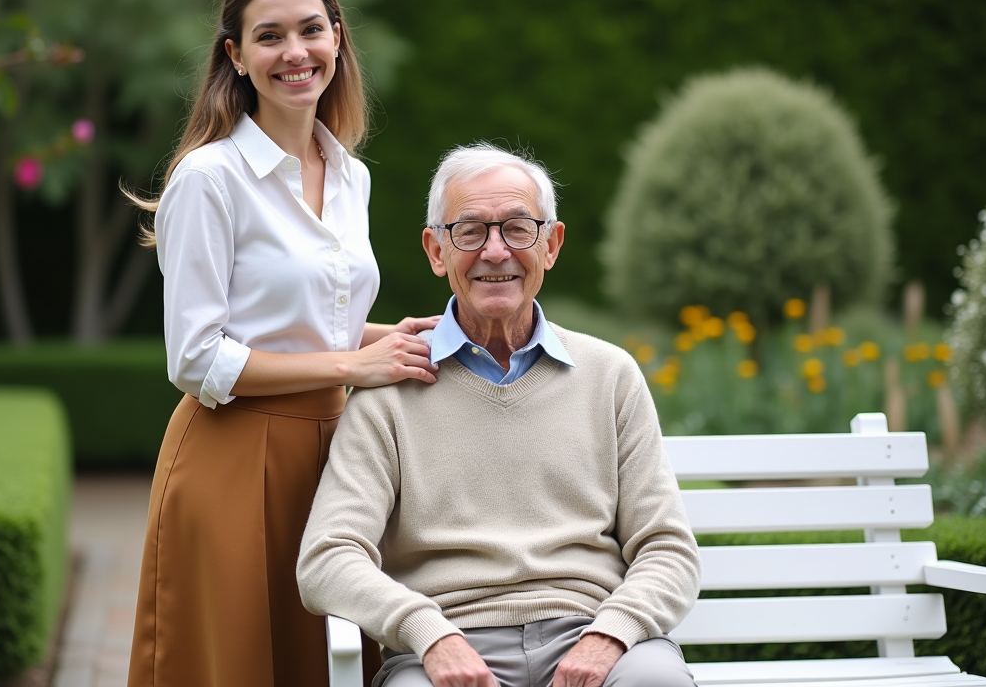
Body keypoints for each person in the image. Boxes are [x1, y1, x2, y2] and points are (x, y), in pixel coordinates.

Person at [124, 0, 440, 687]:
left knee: (328, 662)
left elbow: (312, 323)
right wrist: (351, 365)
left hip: (341, 456)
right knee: (233, 662)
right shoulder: (210, 179)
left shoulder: (351, 174)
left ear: (338, 39)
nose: (294, 53)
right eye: (269, 36)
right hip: (233, 458)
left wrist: (385, 338)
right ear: (234, 55)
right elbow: (197, 360)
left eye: (310, 30)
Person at [297, 144, 701, 687]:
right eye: (469, 231)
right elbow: (327, 557)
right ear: (436, 251)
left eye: (517, 228)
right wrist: (428, 633)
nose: (495, 252)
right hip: (445, 646)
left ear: (551, 245)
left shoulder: (610, 375)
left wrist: (613, 634)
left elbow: (667, 546)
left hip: (594, 635)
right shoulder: (388, 392)